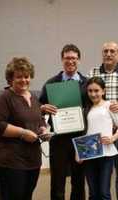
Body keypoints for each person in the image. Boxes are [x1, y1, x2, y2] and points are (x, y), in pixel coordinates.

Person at [0, 57, 49, 200]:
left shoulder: (33, 97)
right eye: (19, 77)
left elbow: (39, 120)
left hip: (32, 160)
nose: (24, 80)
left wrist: (43, 130)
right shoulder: (5, 98)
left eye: (26, 76)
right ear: (10, 79)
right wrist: (22, 133)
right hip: (11, 161)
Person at [39, 44, 87, 200]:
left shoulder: (87, 84)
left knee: (79, 181)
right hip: (58, 139)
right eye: (67, 58)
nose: (70, 61)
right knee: (57, 182)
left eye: (73, 58)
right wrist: (43, 108)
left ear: (79, 60)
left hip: (81, 138)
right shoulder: (51, 83)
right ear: (62, 59)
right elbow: (38, 107)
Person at [88, 41, 118, 199]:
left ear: (117, 54)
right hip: (98, 133)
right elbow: (87, 95)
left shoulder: (109, 105)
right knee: (95, 187)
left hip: (115, 128)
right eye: (105, 51)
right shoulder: (93, 72)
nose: (108, 54)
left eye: (112, 51)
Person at [82, 77, 118, 200]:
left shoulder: (110, 106)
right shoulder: (86, 109)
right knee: (93, 194)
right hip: (89, 154)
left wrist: (113, 138)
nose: (93, 94)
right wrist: (79, 152)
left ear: (103, 91)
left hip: (106, 154)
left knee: (104, 193)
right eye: (90, 91)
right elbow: (84, 132)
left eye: (96, 90)